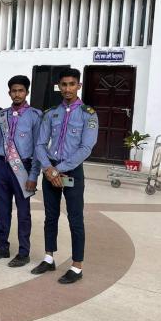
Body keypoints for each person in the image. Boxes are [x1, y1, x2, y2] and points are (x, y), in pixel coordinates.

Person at [32, 68, 98, 284]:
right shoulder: (51, 113)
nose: (68, 88)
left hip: (71, 171)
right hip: (50, 170)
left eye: (72, 84)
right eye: (64, 84)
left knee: (75, 218)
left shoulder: (88, 114)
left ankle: (77, 267)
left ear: (79, 85)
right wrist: (48, 168)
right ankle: (48, 258)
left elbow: (86, 148)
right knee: (50, 216)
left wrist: (58, 169)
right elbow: (40, 144)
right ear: (59, 86)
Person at [0, 75, 42, 267]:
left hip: (23, 168)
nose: (17, 94)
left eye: (21, 90)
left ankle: (23, 252)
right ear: (9, 92)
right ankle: (2, 247)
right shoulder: (2, 115)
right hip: (2, 166)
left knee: (23, 212)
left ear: (27, 92)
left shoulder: (35, 115)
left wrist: (34, 175)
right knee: (2, 210)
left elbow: (38, 147)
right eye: (14, 91)